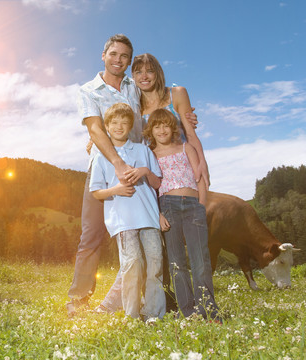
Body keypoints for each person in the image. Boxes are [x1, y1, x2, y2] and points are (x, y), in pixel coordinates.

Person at [67, 34, 198, 317]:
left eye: (125, 56)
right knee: (92, 234)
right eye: (114, 54)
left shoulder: (132, 86)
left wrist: (184, 114)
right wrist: (115, 162)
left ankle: (157, 297)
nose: (119, 60)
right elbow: (95, 128)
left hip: (140, 167)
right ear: (103, 55)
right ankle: (78, 298)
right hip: (104, 167)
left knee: (151, 232)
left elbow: (156, 103)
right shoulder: (88, 90)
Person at [89, 103, 165, 320]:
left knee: (155, 264)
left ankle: (153, 314)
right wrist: (117, 190)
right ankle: (131, 315)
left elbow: (157, 183)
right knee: (132, 265)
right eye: (114, 122)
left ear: (130, 125)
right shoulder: (101, 157)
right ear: (107, 126)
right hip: (123, 220)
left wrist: (144, 171)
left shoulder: (143, 150)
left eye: (124, 122)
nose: (119, 126)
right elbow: (96, 192)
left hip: (149, 218)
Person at [143, 108, 220, 321]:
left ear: (174, 128)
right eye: (156, 126)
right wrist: (158, 214)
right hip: (167, 205)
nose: (161, 130)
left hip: (193, 205)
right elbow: (151, 189)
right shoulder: (151, 154)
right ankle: (188, 311)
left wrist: (201, 206)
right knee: (176, 261)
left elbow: (200, 180)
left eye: (165, 125)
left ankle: (209, 310)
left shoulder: (187, 148)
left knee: (200, 260)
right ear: (151, 129)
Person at [132, 53, 209, 188]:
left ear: (158, 73)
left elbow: (191, 134)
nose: (144, 77)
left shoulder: (177, 94)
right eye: (138, 72)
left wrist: (202, 162)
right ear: (133, 76)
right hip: (155, 172)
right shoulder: (135, 107)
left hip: (183, 167)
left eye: (149, 71)